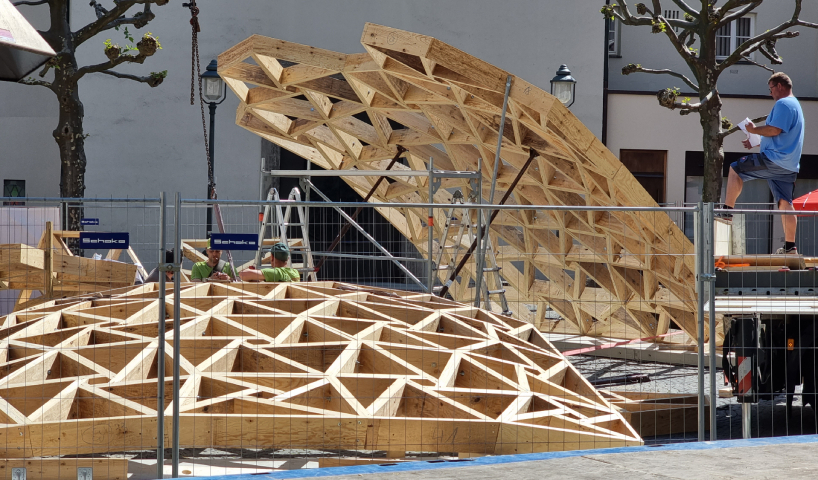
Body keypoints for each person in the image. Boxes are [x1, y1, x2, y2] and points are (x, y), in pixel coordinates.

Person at [722, 72, 804, 254]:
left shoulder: (783, 103)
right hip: (788, 165)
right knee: (785, 202)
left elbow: (774, 130)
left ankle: (726, 213)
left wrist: (753, 129)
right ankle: (790, 247)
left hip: (774, 160)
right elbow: (782, 136)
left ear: (780, 86)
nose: (770, 94)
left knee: (735, 169)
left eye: (771, 89)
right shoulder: (796, 105)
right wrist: (756, 140)